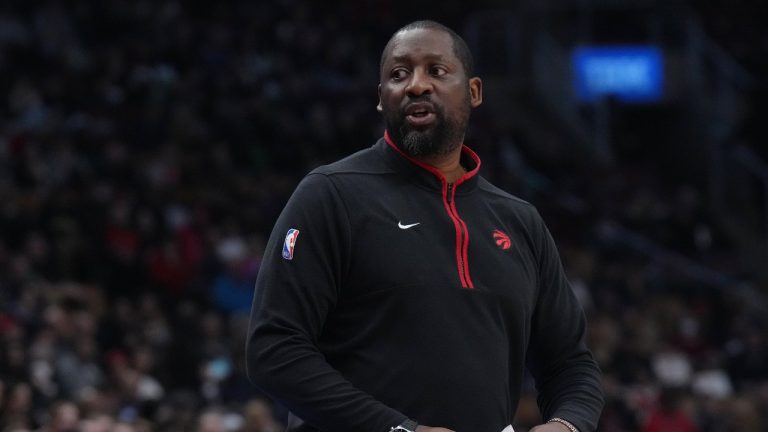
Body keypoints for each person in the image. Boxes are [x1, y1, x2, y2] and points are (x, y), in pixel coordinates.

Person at [246, 20, 604, 432]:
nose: (416, 85)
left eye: (436, 70)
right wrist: (398, 429)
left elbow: (571, 364)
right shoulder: (330, 195)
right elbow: (274, 350)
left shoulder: (519, 221)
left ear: (474, 92)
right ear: (382, 99)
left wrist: (568, 424)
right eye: (399, 75)